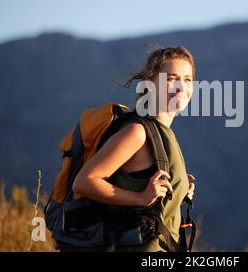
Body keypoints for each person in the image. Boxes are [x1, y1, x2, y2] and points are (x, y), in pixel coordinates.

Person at [72, 46, 196, 251]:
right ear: (151, 83)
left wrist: (180, 191)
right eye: (172, 78)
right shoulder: (137, 132)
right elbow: (84, 182)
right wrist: (141, 197)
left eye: (187, 79)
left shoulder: (165, 134)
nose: (181, 87)